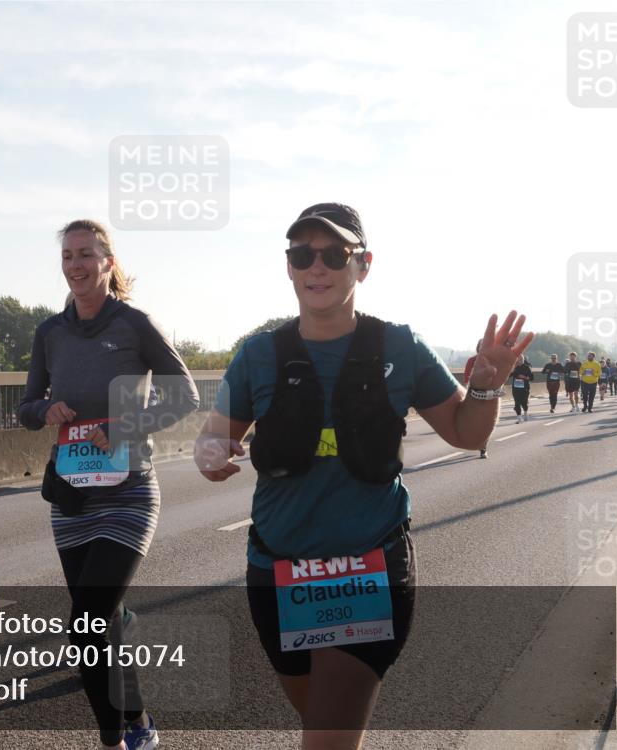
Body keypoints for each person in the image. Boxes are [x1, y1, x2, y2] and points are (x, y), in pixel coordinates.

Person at [193, 203, 532, 750]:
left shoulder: (400, 346)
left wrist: (488, 387)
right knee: (321, 721)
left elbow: (467, 435)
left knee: (326, 735)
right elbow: (212, 437)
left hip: (367, 571)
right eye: (303, 255)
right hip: (276, 572)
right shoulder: (258, 355)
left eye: (334, 255)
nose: (317, 267)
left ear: (363, 265)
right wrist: (210, 454)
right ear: (289, 267)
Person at [18, 219, 198, 750]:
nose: (76, 266)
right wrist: (45, 410)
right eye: (68, 257)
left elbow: (185, 396)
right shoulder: (49, 332)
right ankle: (139, 718)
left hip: (129, 490)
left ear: (108, 263)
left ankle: (112, 741)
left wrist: (122, 426)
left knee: (85, 627)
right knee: (104, 623)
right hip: (73, 494)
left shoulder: (135, 324)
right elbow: (27, 409)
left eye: (86, 255)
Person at [463, 340, 488, 457]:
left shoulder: (491, 361)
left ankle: (483, 448)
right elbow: (466, 377)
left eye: (485, 345)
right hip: (473, 393)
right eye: (481, 345)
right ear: (477, 347)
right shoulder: (471, 360)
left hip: (488, 394)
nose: (482, 348)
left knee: (486, 422)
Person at [510, 354, 534, 423]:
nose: (519, 361)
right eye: (517, 359)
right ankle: (519, 418)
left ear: (523, 360)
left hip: (525, 388)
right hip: (516, 388)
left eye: (520, 359)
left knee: (524, 403)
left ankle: (525, 413)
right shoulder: (515, 367)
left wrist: (524, 377)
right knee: (517, 403)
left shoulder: (527, 368)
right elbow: (509, 375)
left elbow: (532, 378)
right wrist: (512, 368)